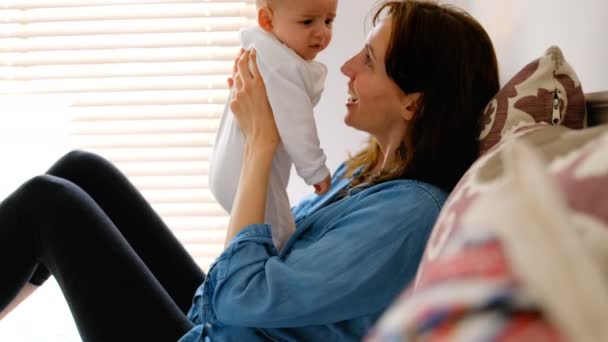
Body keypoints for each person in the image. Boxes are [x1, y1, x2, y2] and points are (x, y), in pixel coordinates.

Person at [0, 1, 499, 341]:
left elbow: (243, 298)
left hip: (231, 322)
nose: (345, 65)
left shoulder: (407, 215)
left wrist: (262, 144)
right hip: (222, 321)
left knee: (50, 203)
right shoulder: (366, 173)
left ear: (413, 101)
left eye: (369, 60)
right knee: (82, 170)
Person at [209, 0, 336, 252]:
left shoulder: (262, 49)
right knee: (280, 234)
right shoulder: (283, 66)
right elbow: (298, 124)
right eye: (308, 22)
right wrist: (315, 169)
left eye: (329, 20)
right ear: (267, 21)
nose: (322, 32)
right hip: (246, 174)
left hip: (226, 167)